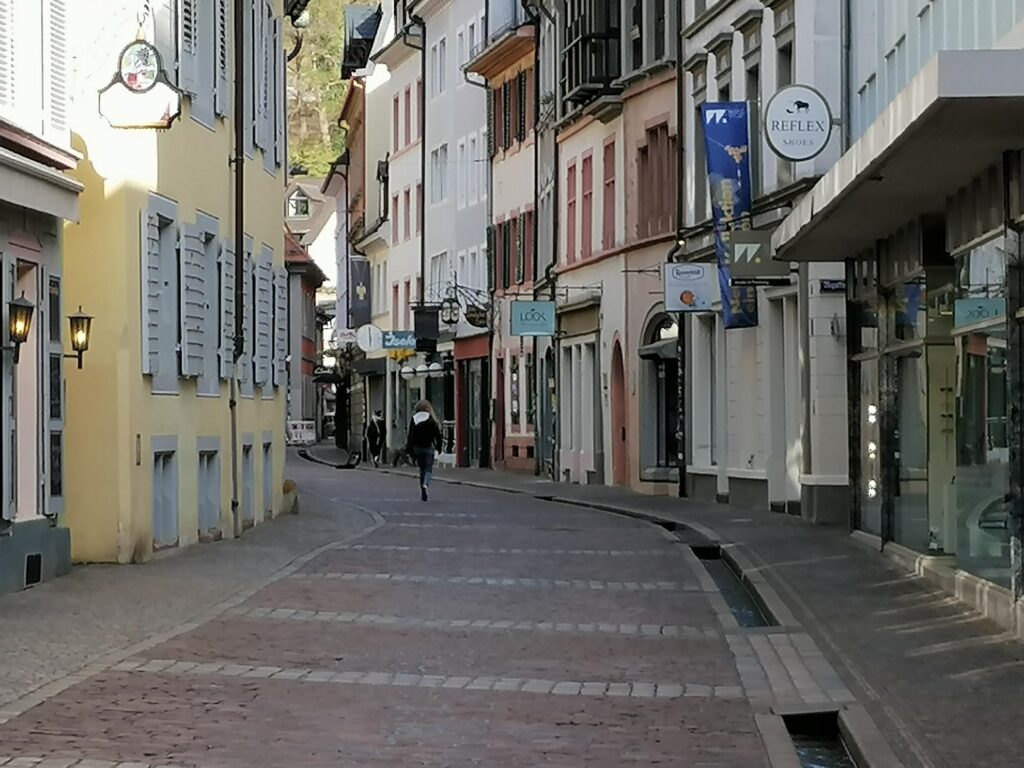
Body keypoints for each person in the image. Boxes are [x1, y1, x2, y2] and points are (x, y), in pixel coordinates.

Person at [405, 400, 443, 502]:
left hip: (417, 448)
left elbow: (410, 436)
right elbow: (437, 435)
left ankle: (423, 490)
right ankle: (426, 483)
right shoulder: (431, 419)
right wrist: (439, 448)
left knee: (422, 469)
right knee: (428, 468)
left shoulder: (414, 419)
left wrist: (409, 450)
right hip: (428, 447)